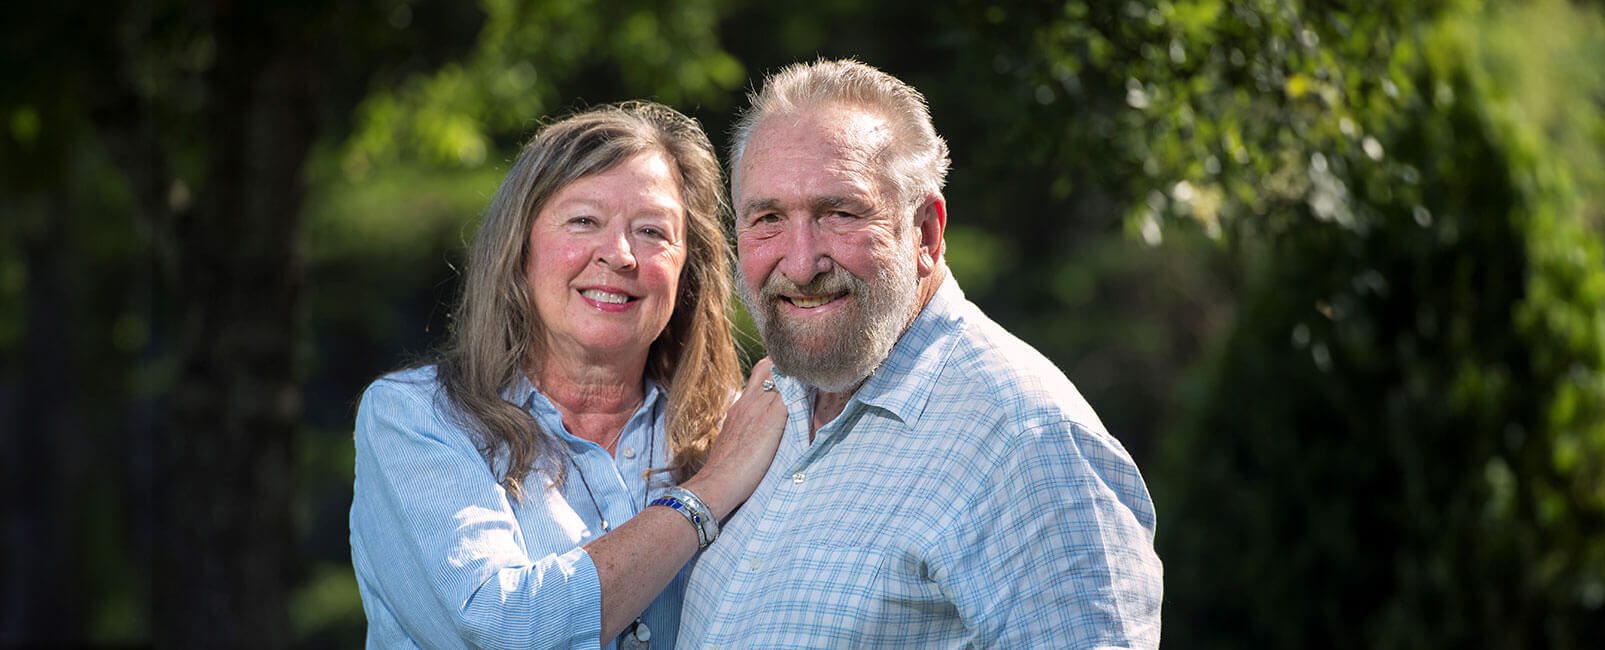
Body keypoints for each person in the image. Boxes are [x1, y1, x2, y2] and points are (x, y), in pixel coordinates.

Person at [678, 60, 1165, 647]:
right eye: (769, 219)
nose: (801, 263)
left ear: (926, 234)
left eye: (840, 213)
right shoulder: (769, 408)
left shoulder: (1027, 441)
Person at [350, 101, 786, 650]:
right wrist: (707, 494)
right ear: (521, 249)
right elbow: (497, 628)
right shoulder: (417, 418)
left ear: (686, 269)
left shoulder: (736, 428)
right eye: (584, 221)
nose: (621, 255)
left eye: (652, 231)